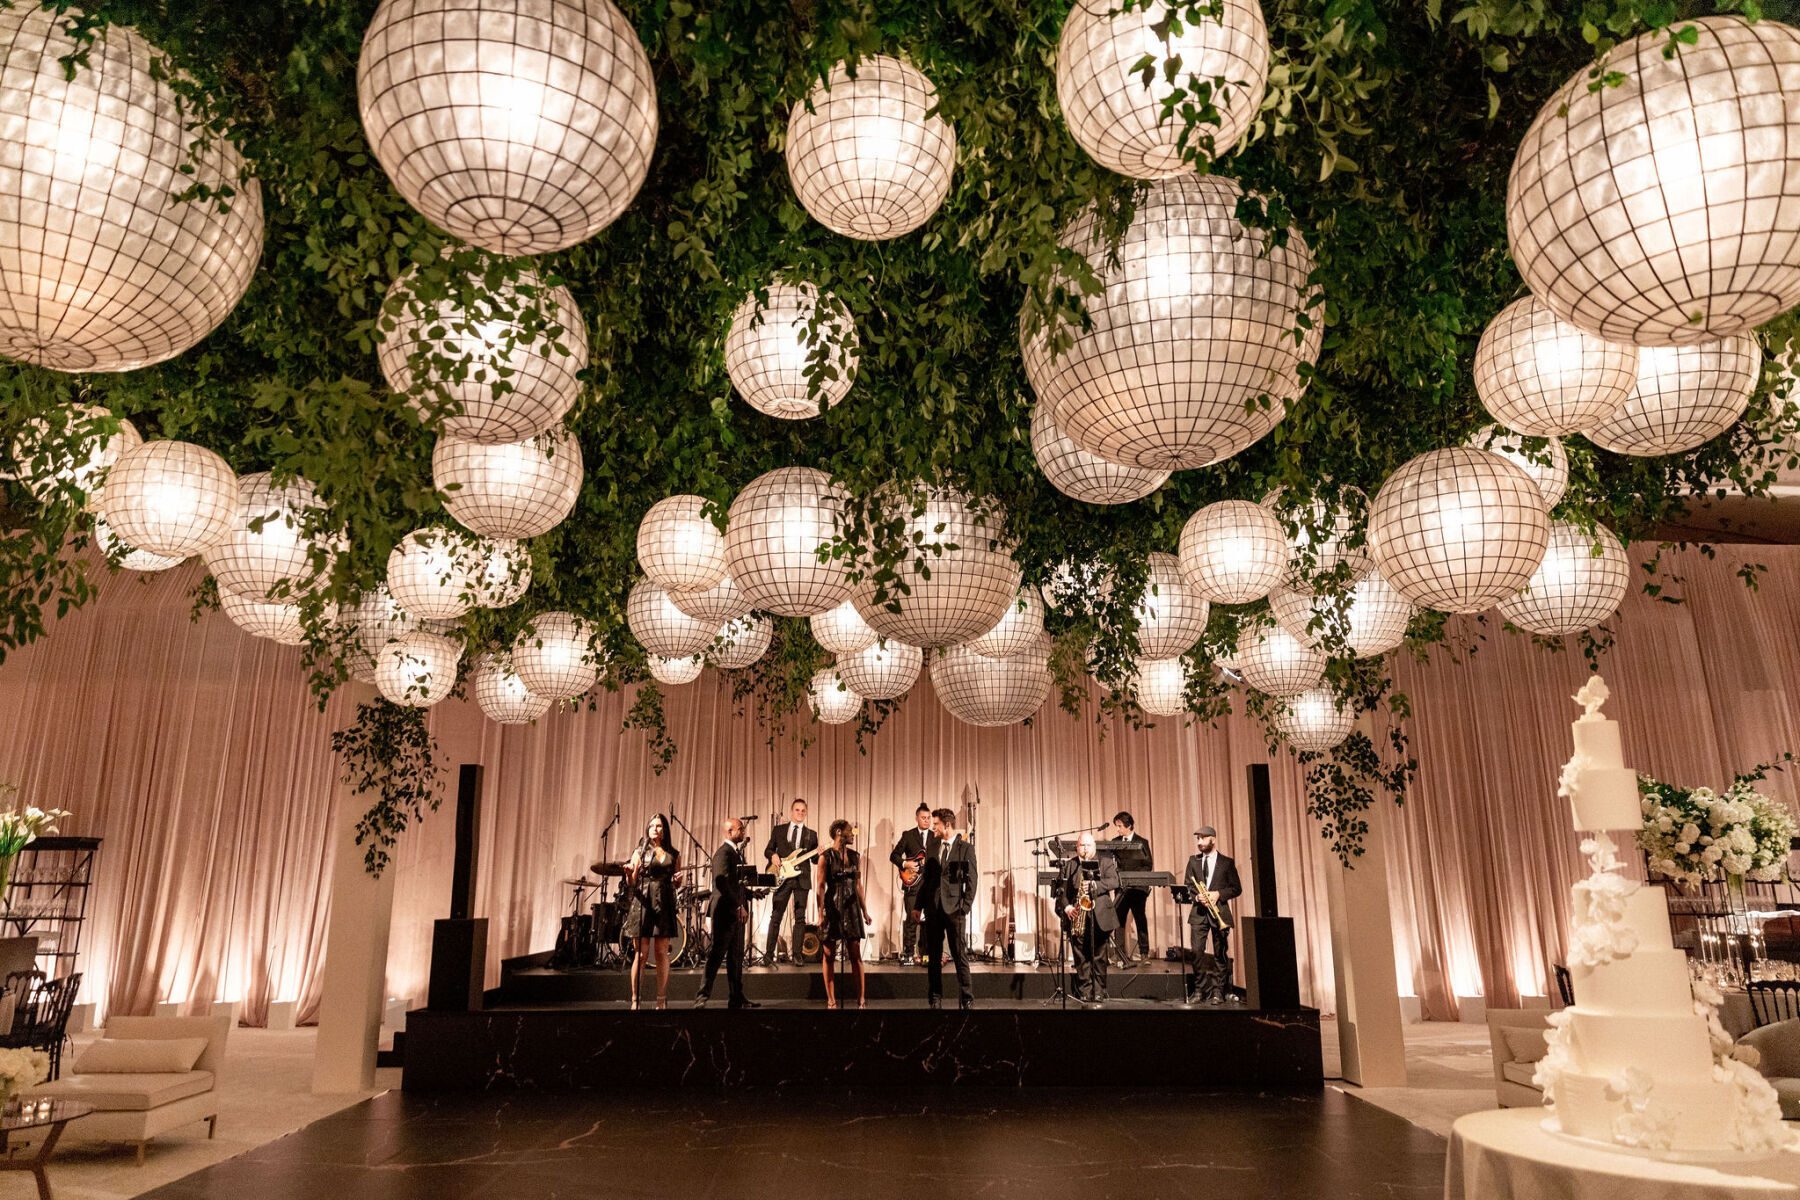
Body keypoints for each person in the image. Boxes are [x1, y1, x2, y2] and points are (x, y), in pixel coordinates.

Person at [695, 817, 758, 1010]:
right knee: (716, 955)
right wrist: (739, 905)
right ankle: (701, 997)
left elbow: (735, 884)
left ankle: (736, 998)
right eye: (740, 829)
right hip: (725, 913)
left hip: (736, 913)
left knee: (736, 958)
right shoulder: (723, 854)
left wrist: (751, 893)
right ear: (729, 832)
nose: (743, 832)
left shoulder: (736, 854)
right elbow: (722, 884)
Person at [921, 807, 976, 1010]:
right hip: (934, 910)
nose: (932, 827)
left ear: (947, 825)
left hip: (955, 910)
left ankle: (967, 997)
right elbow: (927, 880)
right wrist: (919, 906)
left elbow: (972, 880)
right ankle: (935, 997)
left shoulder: (965, 848)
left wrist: (965, 907)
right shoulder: (932, 845)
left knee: (959, 954)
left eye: (935, 824)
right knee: (934, 956)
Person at [623, 813, 679, 1009]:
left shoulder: (673, 853)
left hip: (664, 902)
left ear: (664, 831)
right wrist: (630, 874)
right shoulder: (640, 851)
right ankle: (635, 1000)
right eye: (652, 825)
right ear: (647, 829)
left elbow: (676, 881)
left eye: (659, 825)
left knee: (662, 952)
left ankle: (661, 1001)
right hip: (643, 902)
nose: (655, 828)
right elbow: (631, 882)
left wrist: (678, 881)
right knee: (641, 954)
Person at [1058, 831, 1120, 1005]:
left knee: (1099, 957)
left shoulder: (1105, 862)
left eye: (1088, 845)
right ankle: (1085, 991)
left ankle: (1099, 992)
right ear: (1077, 847)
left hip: (1100, 915)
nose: (1084, 849)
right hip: (1078, 916)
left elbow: (1114, 881)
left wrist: (1095, 885)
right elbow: (1062, 891)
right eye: (1082, 845)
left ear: (1094, 846)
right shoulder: (1071, 865)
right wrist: (1067, 906)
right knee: (1081, 957)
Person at [818, 820, 873, 1009]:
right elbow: (820, 886)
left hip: (851, 906)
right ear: (839, 832)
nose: (853, 834)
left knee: (855, 952)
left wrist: (865, 910)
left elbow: (858, 885)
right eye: (850, 831)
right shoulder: (826, 857)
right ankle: (831, 1000)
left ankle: (861, 999)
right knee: (828, 954)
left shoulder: (855, 857)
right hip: (832, 905)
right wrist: (820, 914)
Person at [1184, 825, 1242, 1005]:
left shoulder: (1227, 862)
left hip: (1220, 914)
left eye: (1203, 838)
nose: (1199, 842)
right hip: (1199, 913)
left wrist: (1218, 894)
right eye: (1198, 839)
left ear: (1213, 839)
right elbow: (1188, 886)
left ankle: (1218, 990)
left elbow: (1236, 888)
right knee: (1196, 952)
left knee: (1220, 953)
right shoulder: (1193, 861)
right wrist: (1196, 896)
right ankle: (1200, 990)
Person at [762, 798, 817, 969]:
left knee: (800, 918)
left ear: (806, 813)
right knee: (776, 915)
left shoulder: (811, 834)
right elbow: (768, 849)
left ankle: (798, 955)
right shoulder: (779, 830)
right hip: (783, 878)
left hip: (802, 878)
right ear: (791, 812)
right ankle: (769, 954)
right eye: (797, 810)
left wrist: (820, 854)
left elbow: (814, 859)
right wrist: (773, 856)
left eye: (803, 811)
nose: (800, 813)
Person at [888, 803, 931, 965]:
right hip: (913, 884)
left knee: (929, 921)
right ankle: (908, 953)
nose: (926, 821)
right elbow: (894, 855)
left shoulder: (936, 836)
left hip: (931, 885)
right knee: (912, 919)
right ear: (917, 818)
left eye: (929, 818)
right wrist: (906, 864)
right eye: (923, 818)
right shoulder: (908, 835)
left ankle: (926, 953)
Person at [1109, 811, 1152, 965]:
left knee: (1140, 918)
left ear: (1129, 826)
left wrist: (1134, 878)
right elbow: (1108, 863)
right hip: (1121, 888)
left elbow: (1148, 865)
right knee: (1118, 920)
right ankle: (1119, 953)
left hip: (1138, 888)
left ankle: (1144, 953)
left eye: (1120, 826)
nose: (1118, 829)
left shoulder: (1142, 842)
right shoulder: (1115, 842)